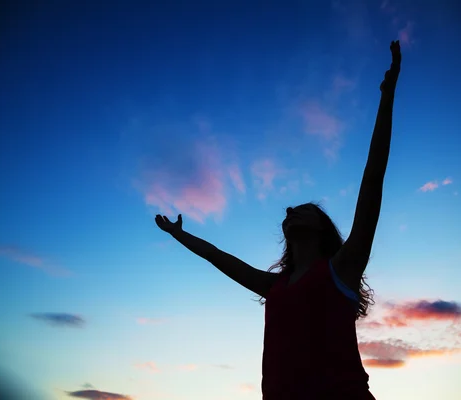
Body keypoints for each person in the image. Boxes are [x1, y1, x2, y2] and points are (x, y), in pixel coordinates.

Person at [155, 40, 402, 400]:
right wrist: (180, 235)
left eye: (300, 210)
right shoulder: (275, 286)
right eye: (288, 212)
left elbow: (373, 177)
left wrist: (387, 95)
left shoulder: (341, 269)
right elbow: (218, 257)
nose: (288, 211)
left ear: (320, 227)